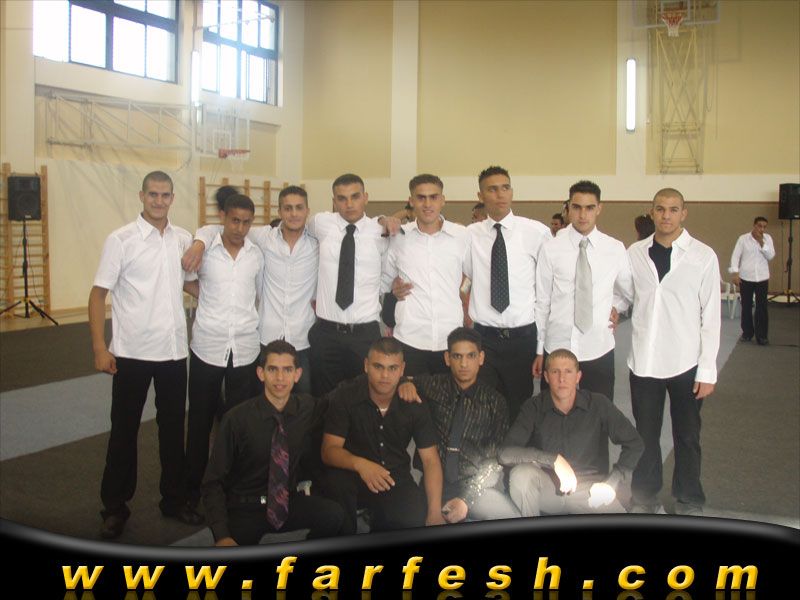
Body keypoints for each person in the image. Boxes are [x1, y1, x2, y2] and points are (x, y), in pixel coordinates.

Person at [89, 170, 202, 539]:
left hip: (173, 352)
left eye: (165, 195)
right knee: (124, 432)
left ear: (173, 198)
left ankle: (174, 499)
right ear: (141, 196)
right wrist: (100, 347)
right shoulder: (121, 239)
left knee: (173, 431)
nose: (158, 201)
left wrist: (232, 297)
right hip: (131, 353)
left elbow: (190, 285)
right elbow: (98, 295)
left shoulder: (182, 238)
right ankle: (114, 508)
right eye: (152, 194)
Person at [624, 188, 721, 515]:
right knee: (645, 436)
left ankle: (689, 497)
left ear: (683, 213)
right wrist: (614, 308)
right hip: (644, 362)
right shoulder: (635, 253)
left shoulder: (703, 256)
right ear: (651, 212)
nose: (666, 215)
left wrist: (707, 370)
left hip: (686, 363)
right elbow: (625, 293)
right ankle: (644, 496)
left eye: (673, 209)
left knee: (688, 436)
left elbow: (711, 317)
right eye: (660, 209)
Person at [201, 341, 346, 545]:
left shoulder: (307, 407)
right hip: (246, 508)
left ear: (297, 374)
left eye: (287, 370)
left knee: (334, 515)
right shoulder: (236, 419)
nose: (280, 378)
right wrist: (222, 535)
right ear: (261, 373)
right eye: (272, 369)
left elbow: (341, 395)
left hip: (288, 501)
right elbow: (212, 482)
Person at [183, 186, 319, 393]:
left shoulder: (317, 243)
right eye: (287, 208)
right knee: (260, 404)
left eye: (299, 208)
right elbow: (219, 229)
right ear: (279, 211)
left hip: (303, 338)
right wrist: (199, 243)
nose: (293, 214)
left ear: (307, 210)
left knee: (304, 402)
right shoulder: (264, 238)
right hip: (266, 337)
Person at [183, 194, 263, 508]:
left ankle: (234, 488)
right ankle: (192, 491)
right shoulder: (205, 250)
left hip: (245, 348)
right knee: (199, 423)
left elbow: (259, 292)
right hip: (207, 346)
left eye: (246, 222)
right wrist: (210, 297)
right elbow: (187, 280)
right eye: (234, 221)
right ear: (223, 218)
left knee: (238, 423)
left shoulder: (256, 255)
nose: (239, 228)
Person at [321, 337, 445, 534]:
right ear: (366, 365)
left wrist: (435, 512)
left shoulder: (414, 403)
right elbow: (329, 451)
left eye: (392, 368)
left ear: (402, 369)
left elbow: (430, 460)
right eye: (378, 367)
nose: (385, 375)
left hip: (394, 476)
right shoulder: (346, 395)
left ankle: (379, 520)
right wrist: (361, 464)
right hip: (352, 473)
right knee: (336, 493)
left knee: (413, 519)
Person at [499, 349, 643, 516]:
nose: (562, 378)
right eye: (555, 372)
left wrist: (612, 483)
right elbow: (505, 453)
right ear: (546, 377)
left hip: (590, 491)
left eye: (568, 371)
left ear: (578, 376)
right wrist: (554, 460)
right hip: (548, 488)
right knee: (521, 475)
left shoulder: (598, 404)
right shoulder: (533, 407)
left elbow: (634, 443)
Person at [398, 328, 519, 522]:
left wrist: (466, 499)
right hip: (434, 483)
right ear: (447, 358)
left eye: (471, 356)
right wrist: (404, 383)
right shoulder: (434, 385)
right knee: (410, 523)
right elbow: (400, 378)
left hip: (474, 485)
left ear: (481, 358)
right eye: (457, 356)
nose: (464, 364)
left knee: (513, 519)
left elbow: (494, 460)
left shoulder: (495, 402)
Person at [464, 165, 551, 419]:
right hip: (484, 338)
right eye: (492, 189)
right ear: (480, 196)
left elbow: (548, 289)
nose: (500, 194)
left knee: (518, 409)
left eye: (505, 188)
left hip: (522, 338)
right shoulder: (469, 236)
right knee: (482, 409)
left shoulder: (536, 233)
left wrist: (540, 347)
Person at [533, 181, 632, 402]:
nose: (583, 215)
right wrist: (539, 349)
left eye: (589, 208)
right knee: (552, 414)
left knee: (598, 413)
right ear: (568, 208)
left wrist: (615, 307)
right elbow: (542, 301)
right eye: (577, 207)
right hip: (557, 346)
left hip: (598, 347)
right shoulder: (551, 248)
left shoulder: (614, 249)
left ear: (599, 208)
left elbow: (628, 291)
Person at [306, 173, 400, 397]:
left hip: (364, 334)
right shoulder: (320, 223)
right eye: (342, 198)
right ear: (334, 201)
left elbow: (388, 275)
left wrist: (384, 219)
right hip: (327, 333)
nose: (349, 204)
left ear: (365, 197)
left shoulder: (381, 231)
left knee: (363, 399)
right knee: (324, 401)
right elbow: (296, 225)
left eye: (355, 197)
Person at [382, 174, 468, 375]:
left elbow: (474, 275)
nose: (427, 204)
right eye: (421, 197)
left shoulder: (461, 236)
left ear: (443, 200)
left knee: (448, 396)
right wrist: (393, 291)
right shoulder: (398, 237)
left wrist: (463, 290)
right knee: (411, 394)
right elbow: (384, 281)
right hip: (410, 338)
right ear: (411, 201)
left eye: (433, 197)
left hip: (450, 338)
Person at [729, 216, 775, 345]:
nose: (762, 229)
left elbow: (770, 256)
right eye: (759, 226)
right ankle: (747, 333)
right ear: (754, 225)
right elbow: (735, 256)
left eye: (764, 227)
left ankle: (762, 336)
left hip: (762, 277)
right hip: (746, 277)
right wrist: (735, 273)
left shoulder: (767, 239)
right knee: (746, 306)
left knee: (762, 307)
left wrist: (762, 243)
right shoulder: (743, 239)